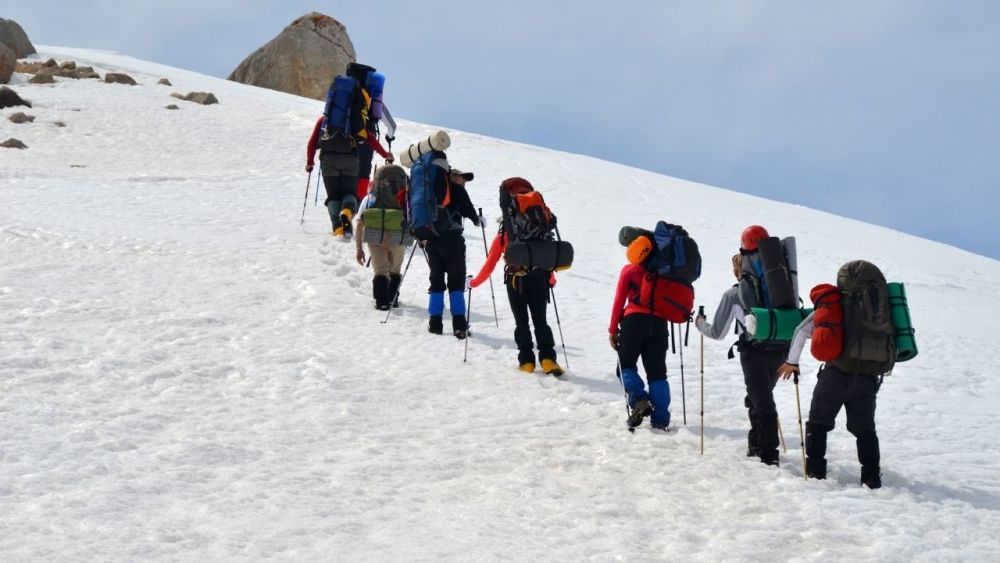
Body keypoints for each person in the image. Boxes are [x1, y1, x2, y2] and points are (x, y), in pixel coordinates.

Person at [778, 260, 892, 489]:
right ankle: (871, 478)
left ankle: (816, 471)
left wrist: (791, 362)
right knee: (866, 430)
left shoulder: (836, 302)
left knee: (818, 423)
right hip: (868, 379)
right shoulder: (882, 307)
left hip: (836, 375)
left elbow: (801, 331)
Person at [695, 226, 786, 466]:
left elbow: (717, 332)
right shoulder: (781, 285)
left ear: (738, 271)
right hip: (781, 349)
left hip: (754, 352)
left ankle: (768, 454)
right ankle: (755, 444)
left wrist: (700, 323)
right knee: (758, 397)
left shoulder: (734, 295)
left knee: (762, 401)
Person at [468, 177, 563, 375]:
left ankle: (526, 361)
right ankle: (548, 359)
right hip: (540, 278)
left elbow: (490, 264)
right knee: (541, 322)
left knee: (522, 322)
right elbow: (545, 254)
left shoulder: (505, 236)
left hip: (516, 280)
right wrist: (550, 279)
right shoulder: (540, 229)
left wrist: (474, 283)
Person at [305, 66, 393, 238]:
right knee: (349, 194)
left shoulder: (325, 120)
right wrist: (385, 154)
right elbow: (369, 138)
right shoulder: (356, 121)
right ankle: (346, 212)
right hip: (350, 159)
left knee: (333, 196)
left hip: (328, 159)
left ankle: (338, 228)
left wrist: (310, 162)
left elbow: (312, 143)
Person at [608, 256, 671, 430]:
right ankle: (660, 420)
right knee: (657, 374)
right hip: (659, 324)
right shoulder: (665, 272)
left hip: (634, 321)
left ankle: (639, 400)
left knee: (625, 366)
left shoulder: (630, 270)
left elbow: (619, 299)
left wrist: (613, 329)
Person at [423, 157, 479, 339]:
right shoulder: (458, 190)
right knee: (456, 282)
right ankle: (459, 325)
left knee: (436, 281)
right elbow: (470, 211)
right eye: (462, 178)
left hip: (433, 240)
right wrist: (478, 220)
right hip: (453, 241)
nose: (464, 181)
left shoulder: (431, 189)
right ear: (453, 177)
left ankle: (435, 323)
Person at [354, 164, 408, 310]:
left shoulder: (369, 198)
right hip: (398, 237)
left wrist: (359, 248)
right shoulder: (405, 198)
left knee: (380, 270)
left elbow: (359, 224)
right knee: (395, 269)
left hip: (374, 237)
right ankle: (393, 299)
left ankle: (381, 301)